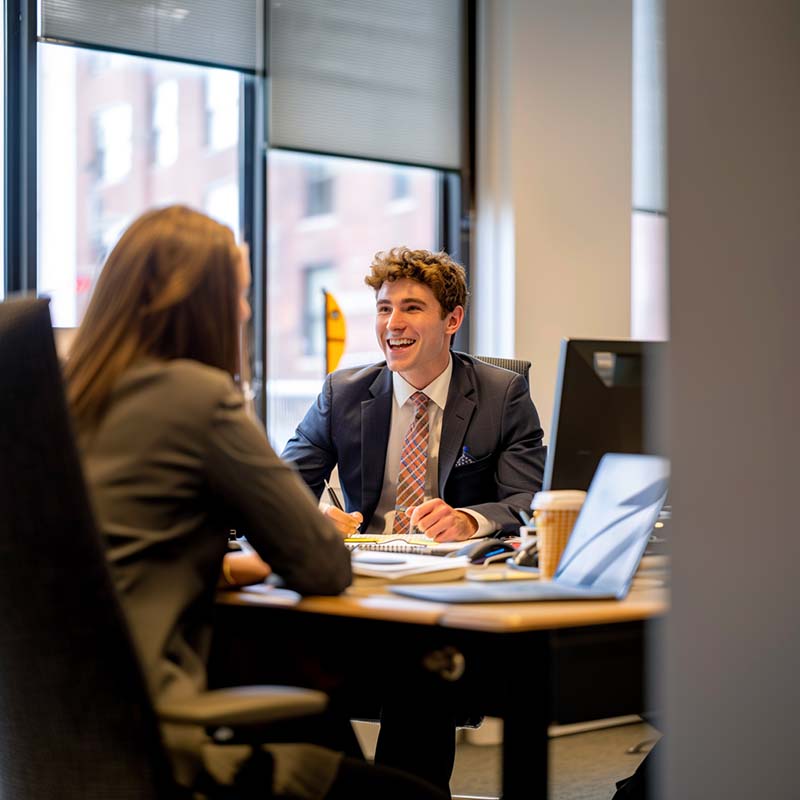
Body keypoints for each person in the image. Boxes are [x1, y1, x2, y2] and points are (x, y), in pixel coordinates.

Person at [64, 206, 448, 800]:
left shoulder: (68, 401)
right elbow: (323, 566)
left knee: (311, 714)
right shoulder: (198, 398)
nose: (244, 312)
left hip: (62, 734)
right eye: (238, 295)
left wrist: (229, 564)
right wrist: (291, 541)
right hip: (160, 739)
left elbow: (106, 552)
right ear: (197, 301)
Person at [282, 246, 547, 789]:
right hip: (360, 586)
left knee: (418, 669)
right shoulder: (343, 391)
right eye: (383, 308)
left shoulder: (502, 395)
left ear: (452, 320)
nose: (393, 324)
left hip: (445, 593)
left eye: (411, 308)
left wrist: (470, 520)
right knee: (280, 655)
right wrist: (308, 518)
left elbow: (528, 498)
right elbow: (283, 483)